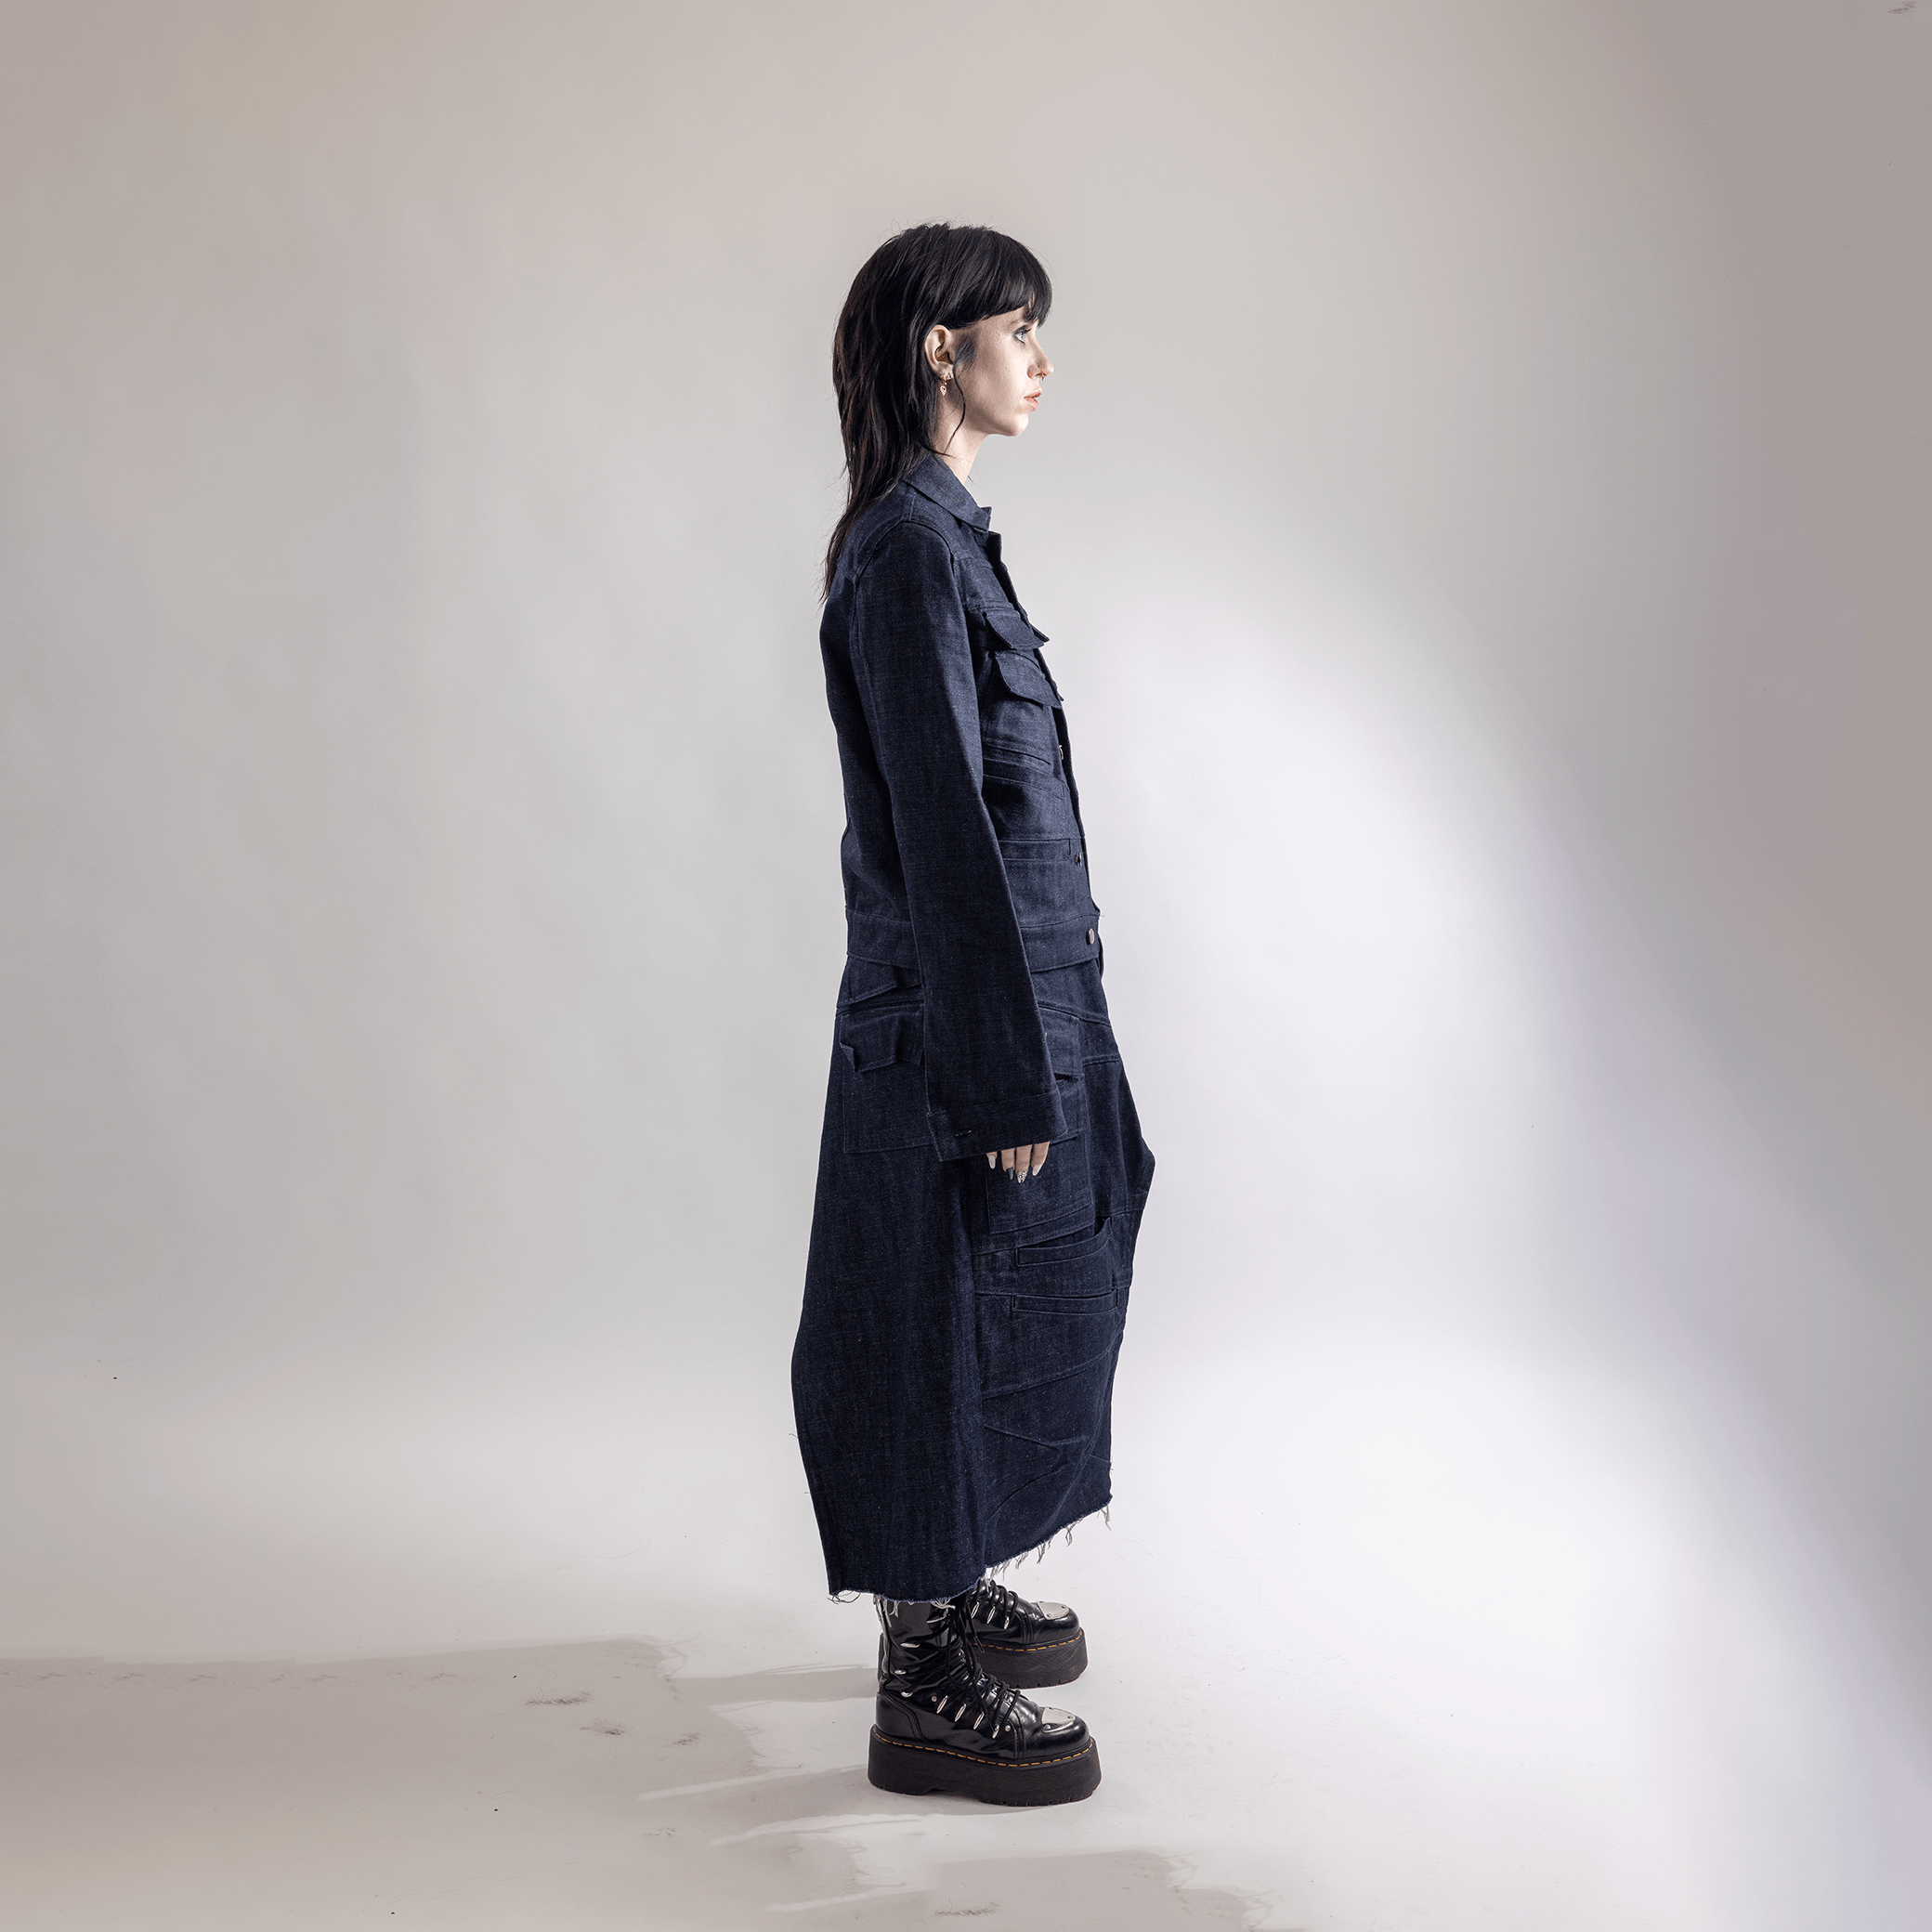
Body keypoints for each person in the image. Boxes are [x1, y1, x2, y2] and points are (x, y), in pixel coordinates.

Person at [791, 224, 1155, 1808]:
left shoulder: (950, 538)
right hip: (963, 1021)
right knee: (934, 1320)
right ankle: (920, 1676)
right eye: (1022, 327)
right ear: (944, 348)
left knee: (1045, 1279)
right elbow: (943, 823)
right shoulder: (907, 552)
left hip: (1039, 991)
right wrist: (1000, 1068)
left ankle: (962, 1570)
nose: (1041, 358)